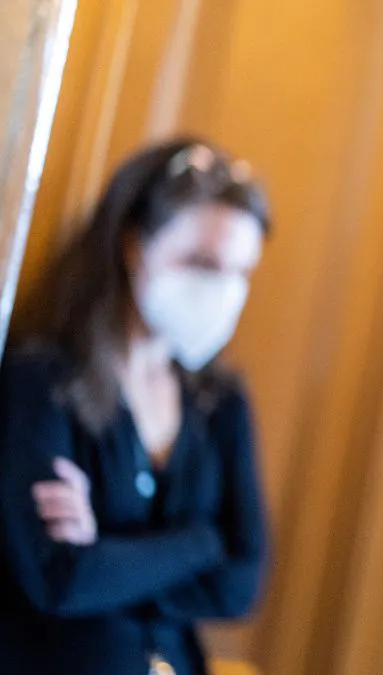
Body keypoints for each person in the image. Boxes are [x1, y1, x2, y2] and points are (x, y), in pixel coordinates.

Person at [0, 138, 271, 675]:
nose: (222, 290)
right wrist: (204, 539)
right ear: (133, 244)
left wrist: (107, 558)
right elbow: (60, 579)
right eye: (201, 262)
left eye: (240, 272)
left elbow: (241, 585)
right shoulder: (44, 378)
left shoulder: (221, 400)